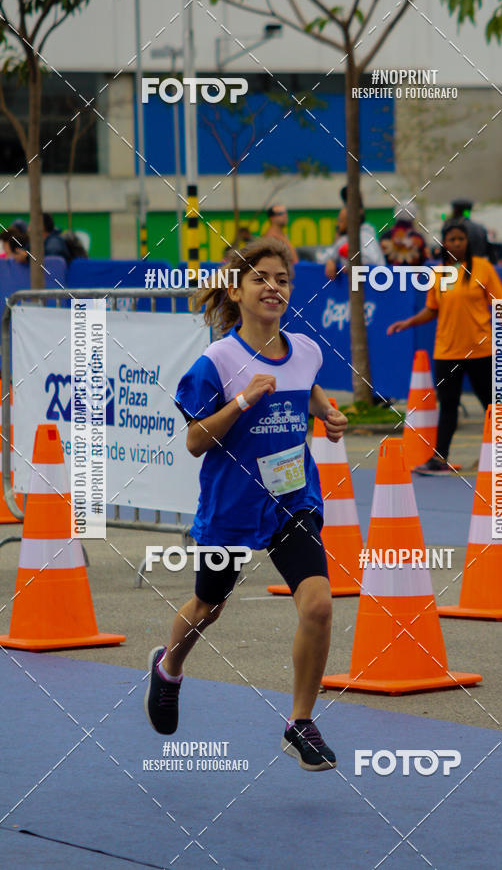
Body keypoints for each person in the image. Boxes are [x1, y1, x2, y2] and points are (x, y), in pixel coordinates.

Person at [145, 237, 347, 771]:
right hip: (231, 506)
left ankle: (300, 723)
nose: (273, 287)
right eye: (260, 278)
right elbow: (195, 441)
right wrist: (241, 401)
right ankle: (168, 668)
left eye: (282, 279)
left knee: (319, 605)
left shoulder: (306, 350)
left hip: (291, 500)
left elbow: (308, 388)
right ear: (236, 291)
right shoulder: (217, 361)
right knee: (207, 608)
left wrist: (328, 415)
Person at [387, 220, 502, 474]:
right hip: (447, 351)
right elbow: (432, 309)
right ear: (444, 243)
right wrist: (408, 322)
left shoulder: (483, 268)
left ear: (468, 242)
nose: (457, 243)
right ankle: (439, 459)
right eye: (452, 239)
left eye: (461, 239)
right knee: (448, 406)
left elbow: (501, 303)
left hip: (480, 349)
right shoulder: (439, 273)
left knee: (492, 404)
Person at [323, 206, 384, 279]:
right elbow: (322, 258)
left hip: (376, 281)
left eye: (341, 221)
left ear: (351, 221)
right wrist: (330, 261)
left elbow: (373, 260)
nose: (337, 225)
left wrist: (350, 263)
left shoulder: (365, 235)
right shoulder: (345, 238)